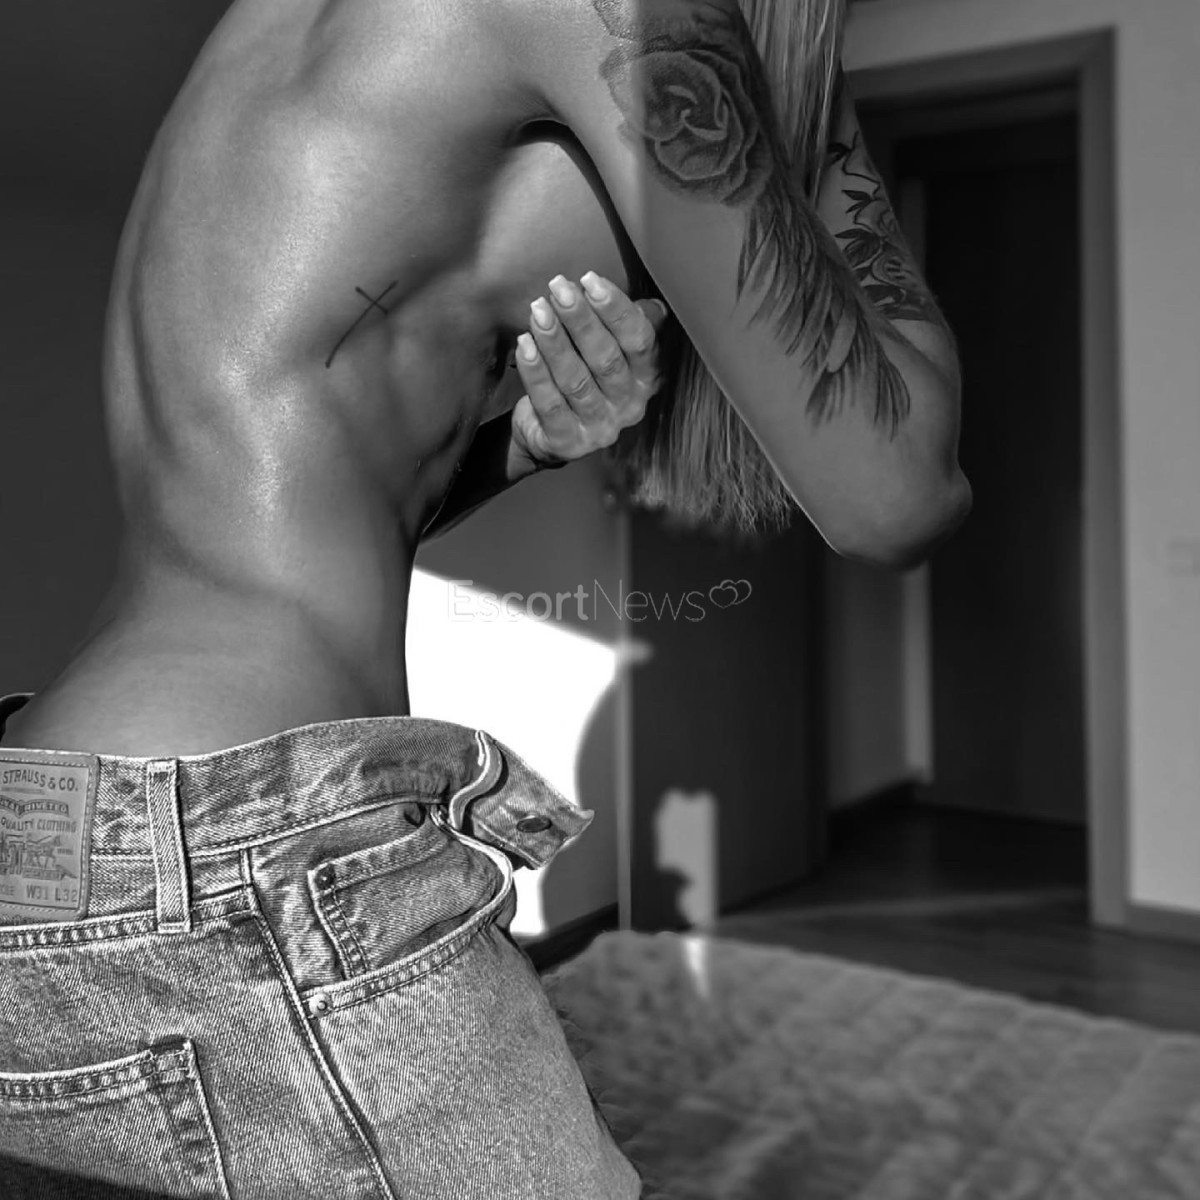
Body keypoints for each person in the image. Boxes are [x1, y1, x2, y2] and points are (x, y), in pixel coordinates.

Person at [0, 0, 968, 1196]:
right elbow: (898, 492)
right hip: (238, 857)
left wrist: (526, 443)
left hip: (58, 820)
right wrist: (819, 127)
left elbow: (279, 484)